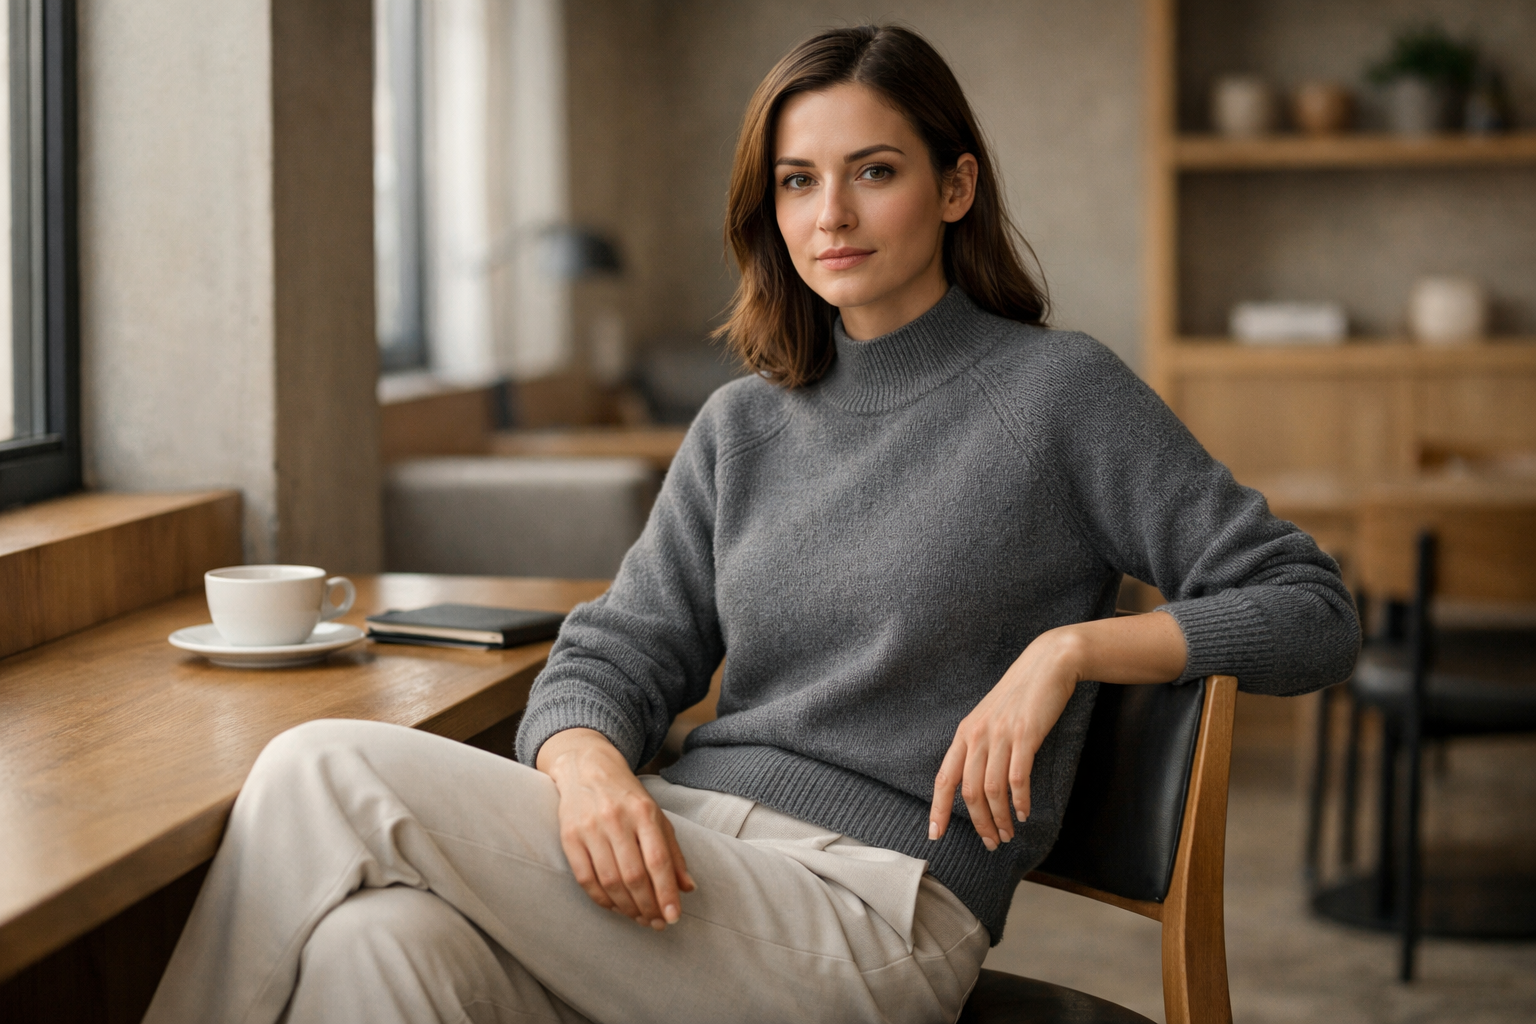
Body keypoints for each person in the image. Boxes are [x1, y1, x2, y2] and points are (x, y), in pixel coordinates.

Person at [144, 24, 1358, 1024]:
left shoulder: (1060, 395)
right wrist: (584, 768)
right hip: (684, 857)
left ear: (955, 185)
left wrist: (1072, 650)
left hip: (871, 913)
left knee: (321, 765)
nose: (831, 212)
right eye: (797, 179)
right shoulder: (743, 426)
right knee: (379, 946)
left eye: (873, 170)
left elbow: (1310, 607)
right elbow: (615, 652)